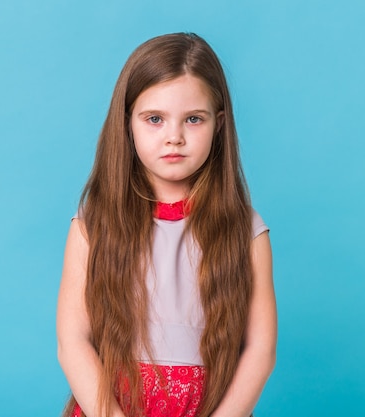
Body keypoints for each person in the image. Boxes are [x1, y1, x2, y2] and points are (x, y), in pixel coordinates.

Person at [56, 32, 277, 417]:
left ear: (219, 124)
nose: (174, 137)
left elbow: (261, 348)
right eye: (155, 119)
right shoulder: (93, 224)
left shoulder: (246, 231)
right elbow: (73, 341)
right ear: (127, 123)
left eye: (193, 119)